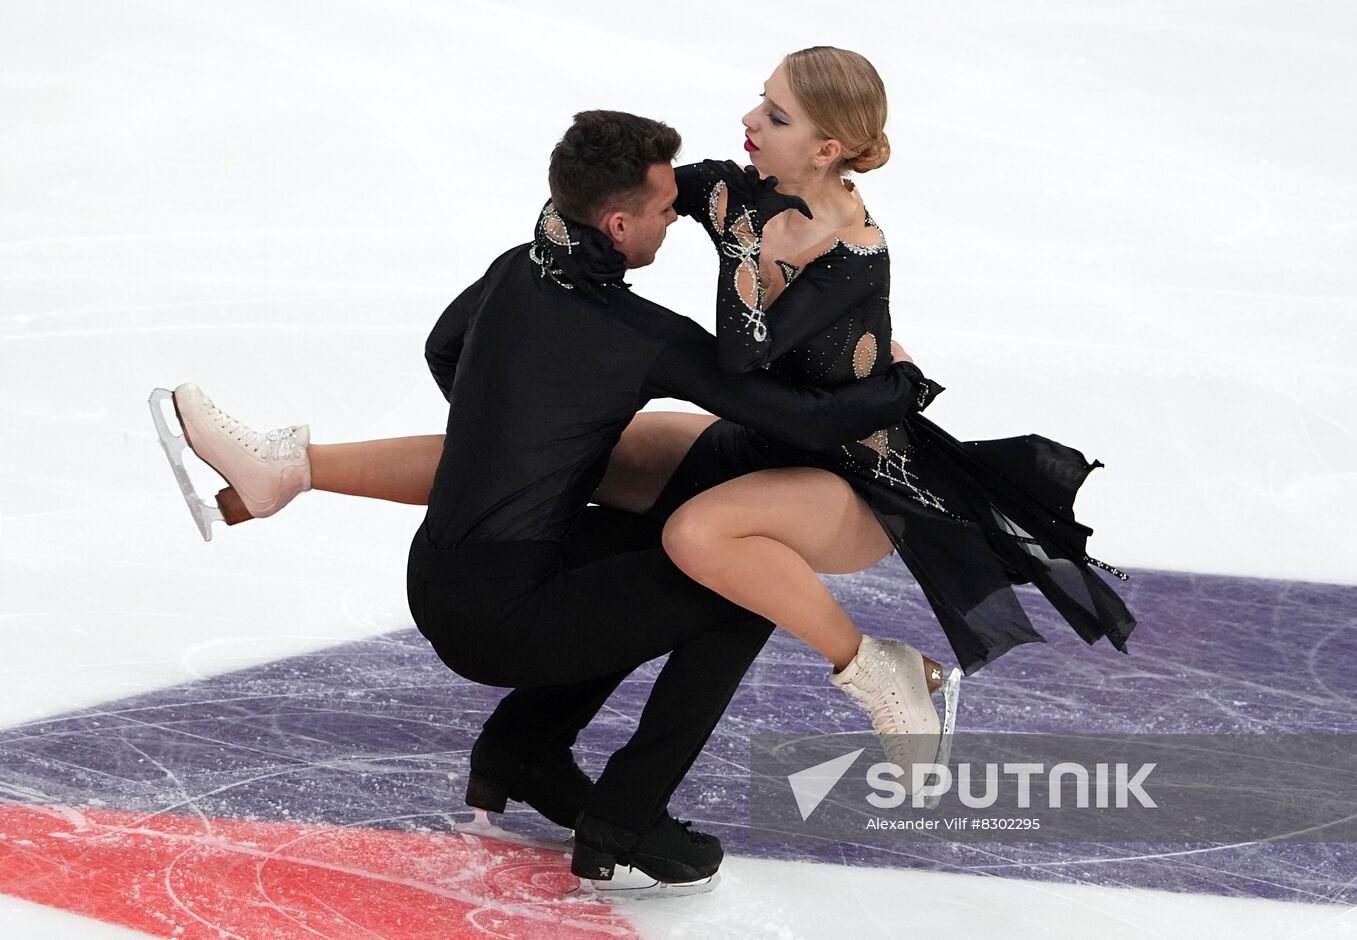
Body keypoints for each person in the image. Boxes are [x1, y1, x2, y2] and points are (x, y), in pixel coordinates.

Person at [155, 108, 940, 889]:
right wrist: (899, 388)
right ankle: (629, 816)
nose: (675, 222)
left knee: (648, 540)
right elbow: (798, 416)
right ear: (621, 221)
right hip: (510, 620)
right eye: (666, 211)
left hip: (439, 578)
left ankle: (522, 753)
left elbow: (445, 348)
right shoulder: (641, 335)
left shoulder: (516, 267)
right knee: (743, 584)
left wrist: (522, 436)